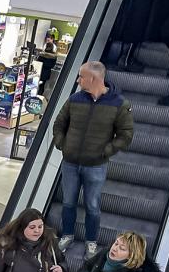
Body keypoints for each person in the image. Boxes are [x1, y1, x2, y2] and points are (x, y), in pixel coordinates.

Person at [52, 62, 134, 255]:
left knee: (93, 205)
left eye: (81, 76)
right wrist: (61, 144)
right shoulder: (75, 99)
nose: (78, 80)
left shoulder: (119, 104)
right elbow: (59, 123)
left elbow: (126, 134)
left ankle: (91, 241)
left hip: (96, 165)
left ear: (93, 79)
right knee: (68, 202)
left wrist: (106, 151)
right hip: (70, 163)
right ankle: (68, 235)